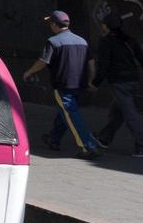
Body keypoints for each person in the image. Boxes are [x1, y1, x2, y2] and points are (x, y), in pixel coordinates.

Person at [22, 10, 103, 159]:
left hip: (63, 86)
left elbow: (43, 61)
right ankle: (54, 138)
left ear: (54, 24)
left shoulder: (53, 42)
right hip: (80, 85)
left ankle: (89, 146)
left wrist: (30, 71)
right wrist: (90, 81)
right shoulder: (82, 41)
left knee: (71, 116)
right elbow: (91, 64)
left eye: (50, 23)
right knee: (66, 113)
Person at [92, 11, 143, 158]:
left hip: (119, 82)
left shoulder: (105, 42)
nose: (101, 25)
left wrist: (95, 83)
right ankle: (104, 138)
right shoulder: (129, 40)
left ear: (106, 26)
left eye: (103, 23)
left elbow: (103, 66)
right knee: (118, 111)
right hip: (133, 80)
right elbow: (142, 60)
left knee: (130, 114)